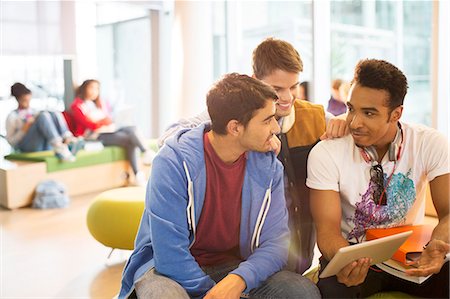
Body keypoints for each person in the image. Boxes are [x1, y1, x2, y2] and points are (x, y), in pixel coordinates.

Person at [119, 73, 321, 299]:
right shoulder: (172, 163)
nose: (275, 128)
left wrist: (239, 280)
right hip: (168, 272)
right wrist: (214, 293)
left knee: (302, 292)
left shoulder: (268, 164)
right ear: (235, 127)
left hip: (234, 267)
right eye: (267, 120)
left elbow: (276, 244)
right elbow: (170, 255)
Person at [158, 37, 348, 275]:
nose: (288, 97)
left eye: (294, 86)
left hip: (298, 240)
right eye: (278, 89)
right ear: (256, 81)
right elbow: (168, 137)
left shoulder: (315, 117)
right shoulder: (235, 114)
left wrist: (344, 120)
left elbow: (353, 125)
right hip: (249, 247)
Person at [307, 59, 449, 298]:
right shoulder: (326, 152)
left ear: (396, 114)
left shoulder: (430, 143)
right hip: (351, 253)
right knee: (332, 290)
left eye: (369, 113)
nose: (354, 122)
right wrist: (348, 261)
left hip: (407, 252)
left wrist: (437, 244)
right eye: (351, 108)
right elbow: (327, 232)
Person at [68, 79, 154, 186]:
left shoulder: (98, 105)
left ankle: (146, 152)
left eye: (97, 88)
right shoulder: (77, 105)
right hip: (94, 136)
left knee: (133, 128)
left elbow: (106, 120)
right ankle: (138, 174)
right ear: (84, 88)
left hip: (109, 130)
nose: (95, 91)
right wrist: (104, 121)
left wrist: (109, 121)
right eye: (92, 88)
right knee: (130, 140)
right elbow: (90, 125)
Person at [5, 82, 80, 162]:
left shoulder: (34, 111)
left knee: (53, 112)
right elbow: (11, 142)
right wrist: (24, 129)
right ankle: (59, 146)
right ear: (18, 99)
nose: (27, 103)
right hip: (26, 146)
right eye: (24, 100)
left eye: (29, 100)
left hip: (43, 145)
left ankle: (67, 137)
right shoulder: (12, 116)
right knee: (42, 116)